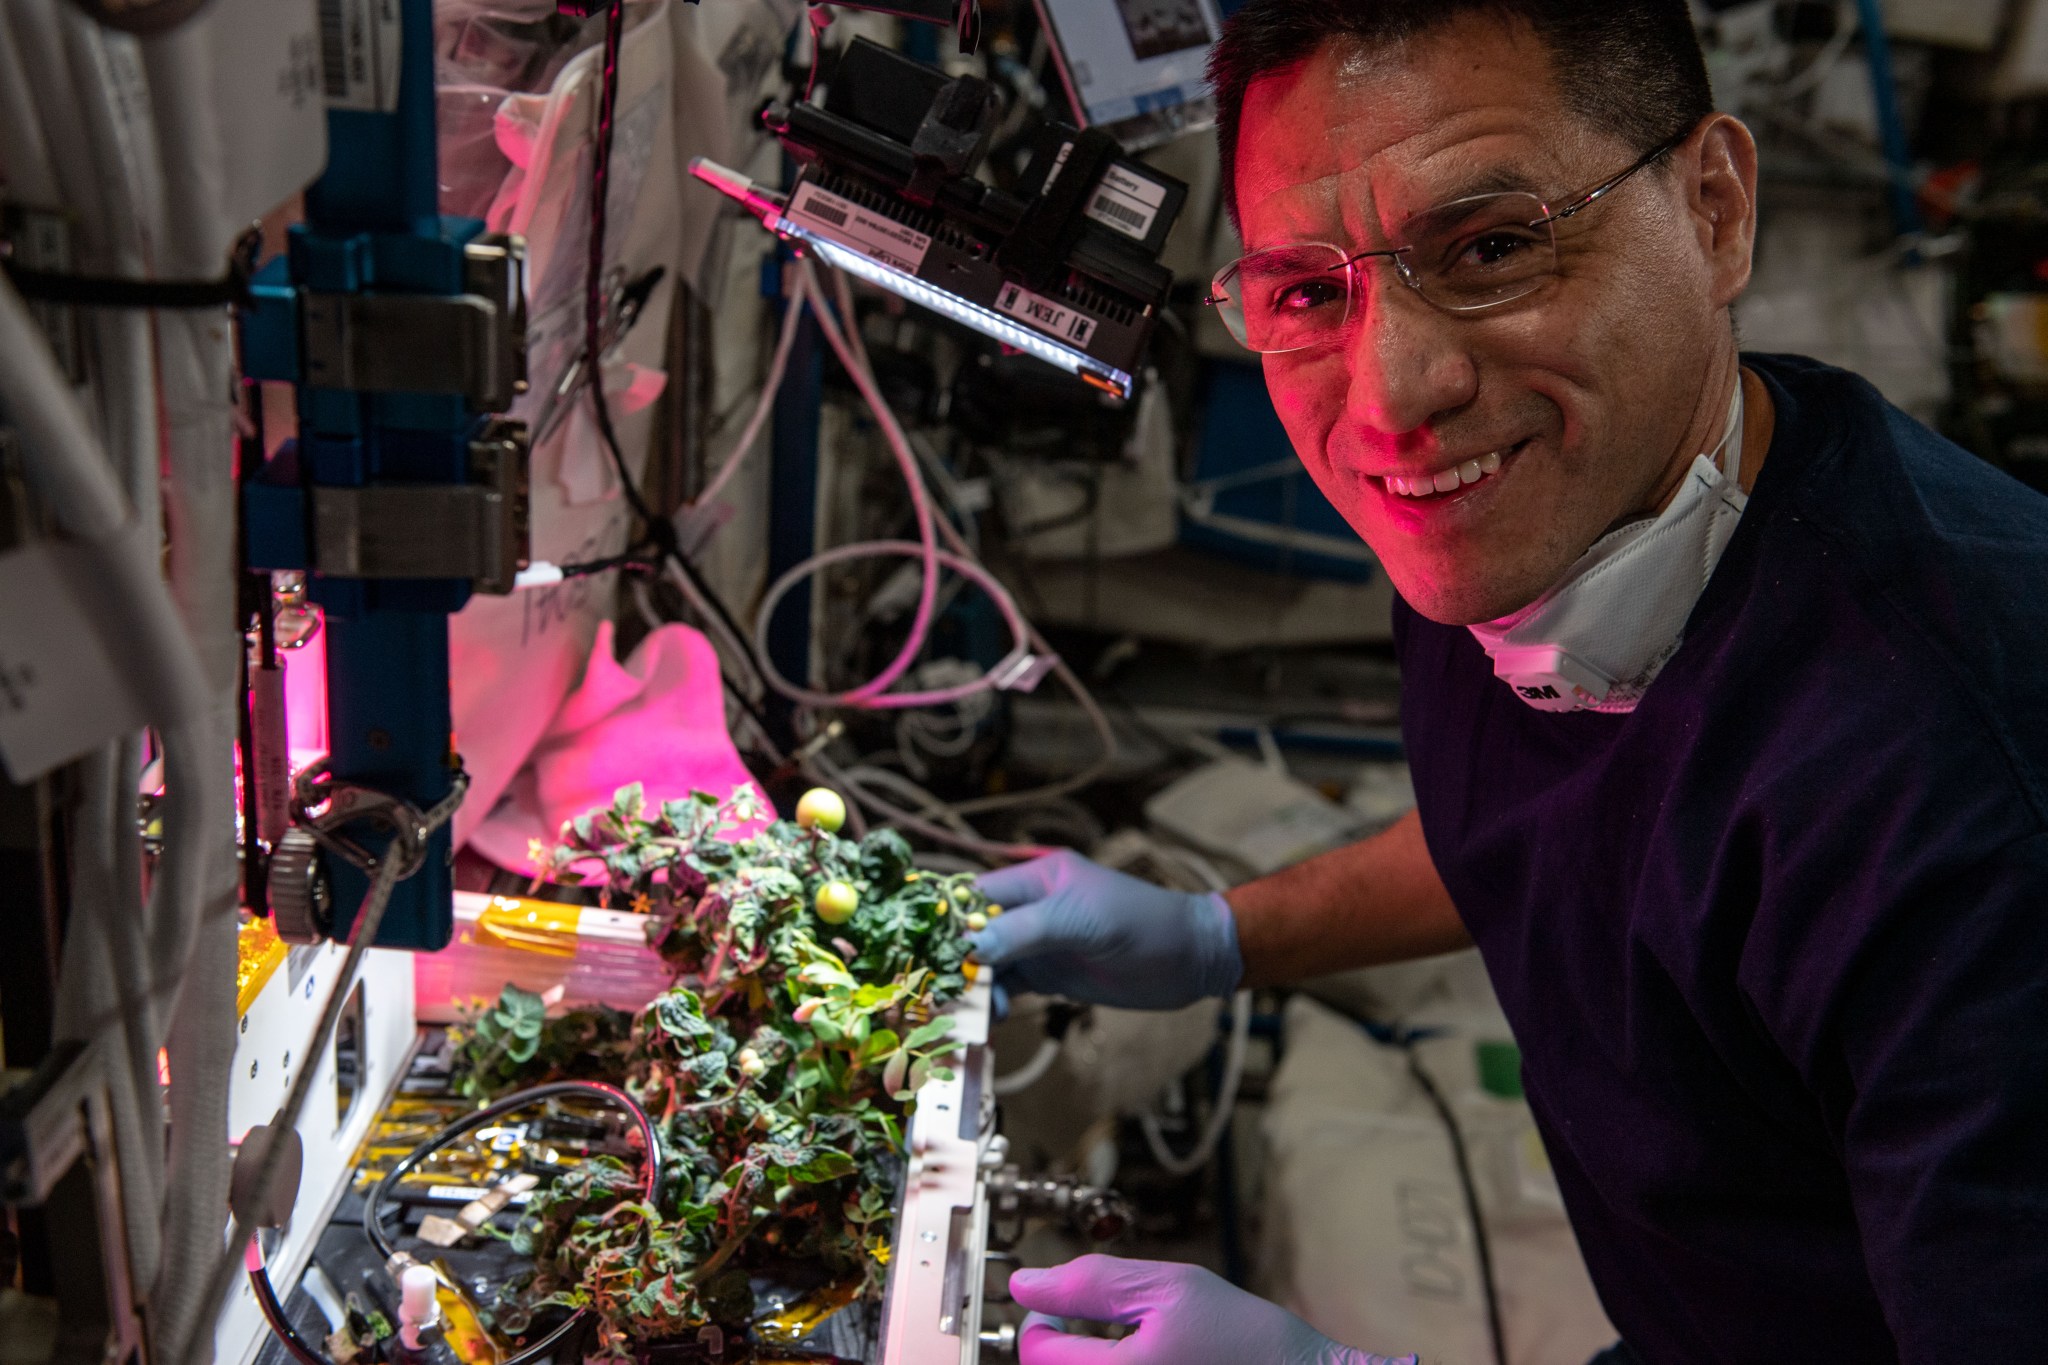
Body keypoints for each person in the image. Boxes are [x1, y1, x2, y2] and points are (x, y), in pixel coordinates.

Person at [968, 2, 2048, 1362]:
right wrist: (1215, 938)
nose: (1392, 393)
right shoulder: (1572, 507)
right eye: (1307, 292)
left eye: (1489, 247)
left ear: (1715, 209)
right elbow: (1565, 817)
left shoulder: (1974, 810)